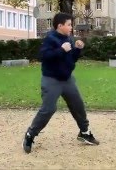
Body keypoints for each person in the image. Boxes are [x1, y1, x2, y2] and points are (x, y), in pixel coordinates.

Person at [22, 12, 99, 154]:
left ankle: (84, 132)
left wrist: (77, 50)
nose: (71, 27)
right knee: (48, 109)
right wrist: (61, 50)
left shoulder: (68, 38)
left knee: (78, 105)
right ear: (60, 25)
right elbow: (44, 56)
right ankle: (30, 135)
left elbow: (70, 59)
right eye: (69, 24)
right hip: (52, 80)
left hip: (67, 79)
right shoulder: (50, 39)